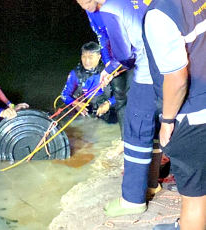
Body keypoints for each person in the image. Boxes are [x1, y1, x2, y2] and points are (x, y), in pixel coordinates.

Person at [76, 0, 162, 217]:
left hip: (148, 73)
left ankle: (133, 199)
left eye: (84, 1)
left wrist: (111, 68)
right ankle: (152, 184)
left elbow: (125, 55)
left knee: (136, 132)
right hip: (166, 69)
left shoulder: (109, 9)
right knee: (155, 127)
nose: (83, 7)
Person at [143, 0, 206, 229]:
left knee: (195, 196)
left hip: (193, 115)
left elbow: (177, 79)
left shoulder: (160, 12)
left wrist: (167, 121)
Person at [78, 1, 131, 140]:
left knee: (139, 93)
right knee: (120, 97)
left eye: (88, 2)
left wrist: (115, 65)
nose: (85, 7)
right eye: (80, 4)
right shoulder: (90, 11)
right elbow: (102, 36)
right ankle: (125, 140)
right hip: (115, 58)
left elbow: (130, 40)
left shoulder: (117, 6)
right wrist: (108, 64)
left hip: (134, 54)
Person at [61, 41, 116, 122]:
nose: (86, 61)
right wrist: (75, 104)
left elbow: (123, 94)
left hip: (107, 112)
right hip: (84, 112)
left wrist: (109, 103)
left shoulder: (108, 73)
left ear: (99, 57)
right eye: (84, 57)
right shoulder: (75, 74)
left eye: (90, 57)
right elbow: (64, 95)